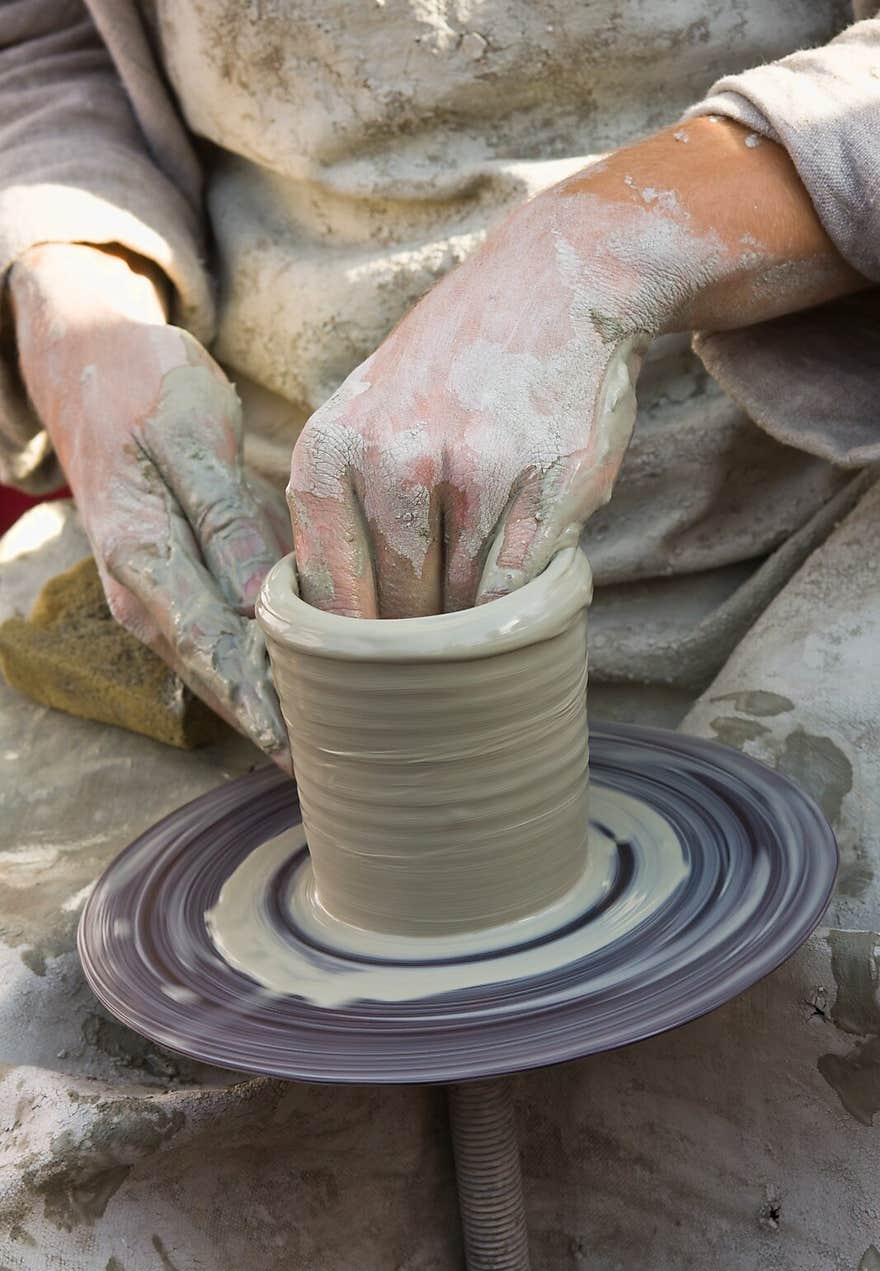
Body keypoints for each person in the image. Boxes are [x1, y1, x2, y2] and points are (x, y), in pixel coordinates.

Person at [3, 3, 877, 763]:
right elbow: (41, 48)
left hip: (791, 502)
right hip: (251, 520)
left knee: (804, 926)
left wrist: (596, 249)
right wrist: (74, 284)